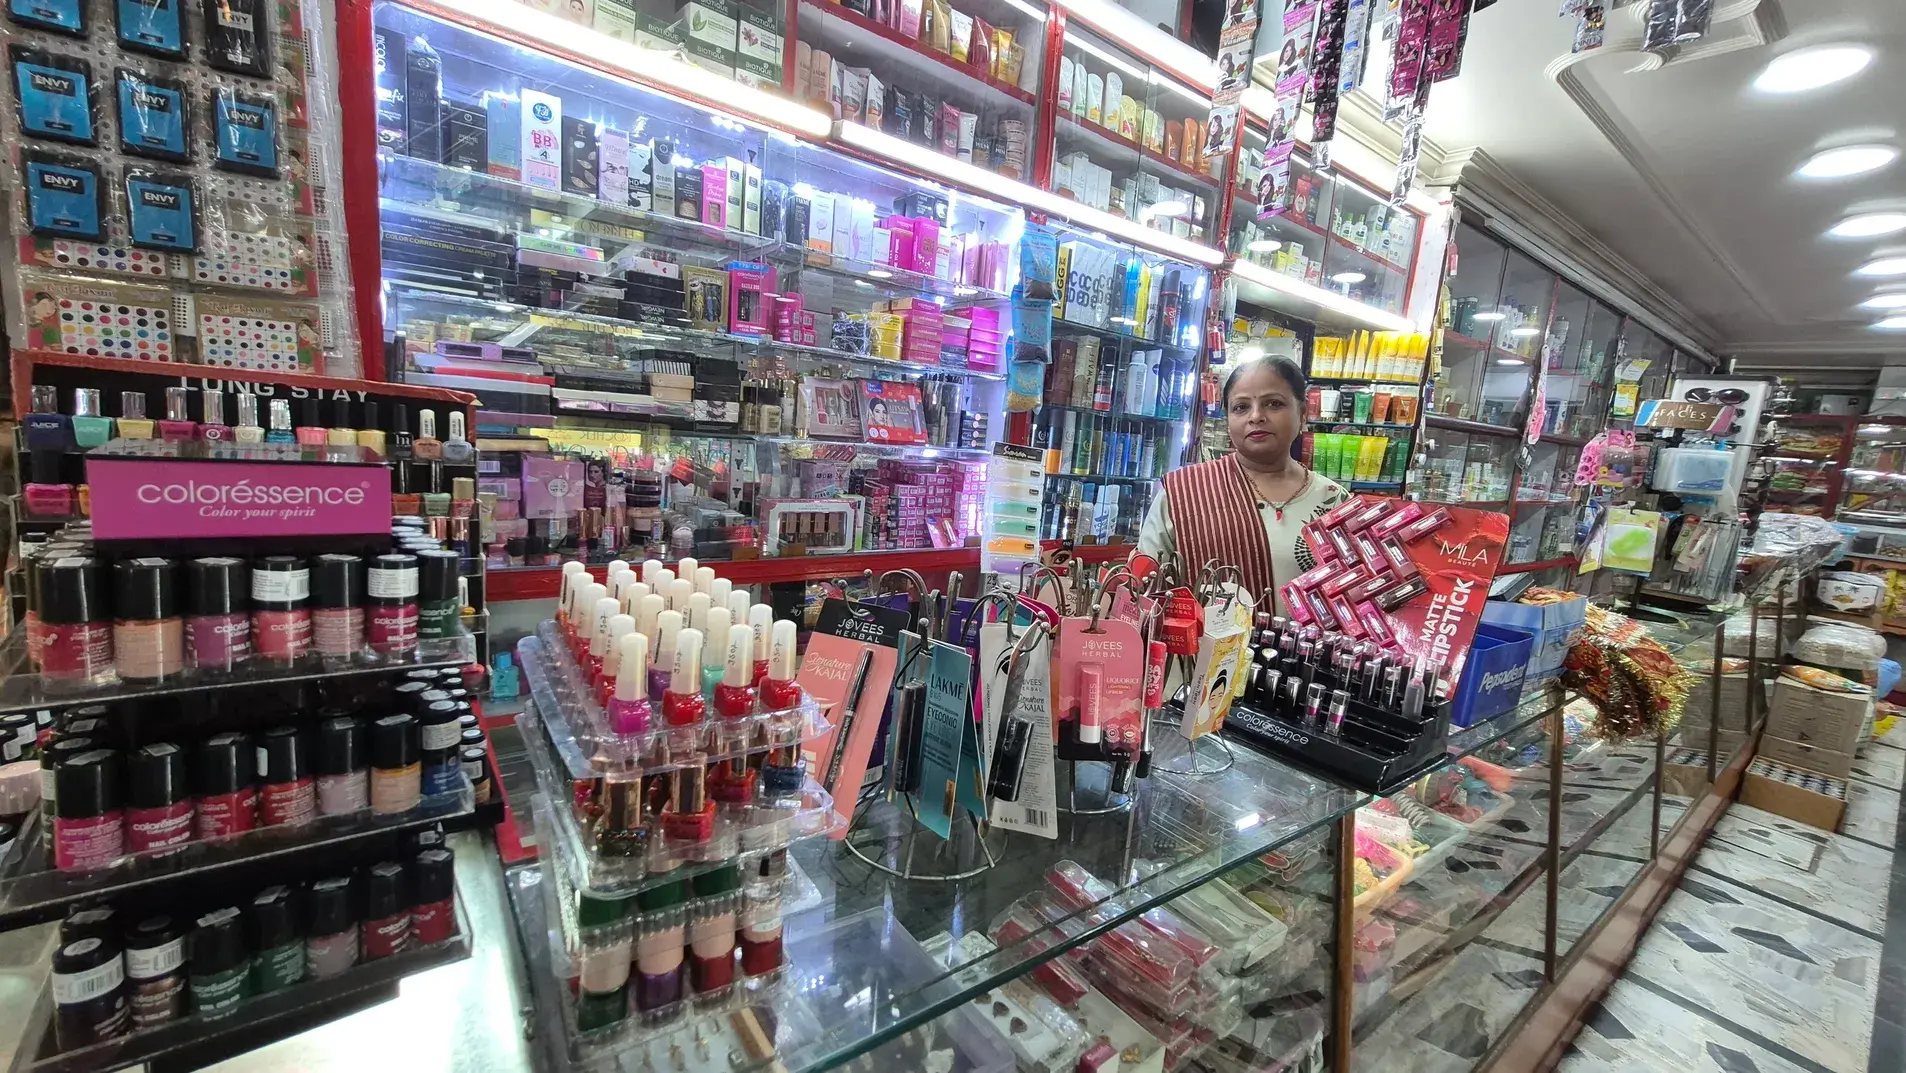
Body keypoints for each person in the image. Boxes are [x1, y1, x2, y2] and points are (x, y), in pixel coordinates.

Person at [1138, 355, 1348, 615]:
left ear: (1302, 413)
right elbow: (1143, 589)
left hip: (1311, 643)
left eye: (1274, 404)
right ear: (1228, 421)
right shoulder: (1183, 493)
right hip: (1200, 643)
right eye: (1241, 407)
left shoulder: (1334, 501)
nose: (1256, 416)